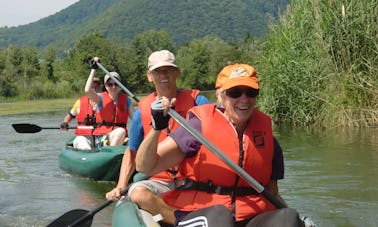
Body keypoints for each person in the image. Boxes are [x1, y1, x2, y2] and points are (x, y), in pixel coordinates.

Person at [135, 63, 304, 227]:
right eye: (235, 93)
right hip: (200, 214)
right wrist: (157, 128)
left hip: (251, 217)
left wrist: (297, 220)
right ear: (220, 95)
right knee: (219, 216)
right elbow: (145, 166)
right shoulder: (197, 128)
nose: (244, 99)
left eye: (251, 92)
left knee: (287, 217)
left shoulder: (267, 138)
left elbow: (272, 193)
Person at [105, 50, 210, 225]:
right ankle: (182, 220)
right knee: (137, 193)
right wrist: (121, 184)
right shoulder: (142, 111)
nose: (164, 75)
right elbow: (131, 152)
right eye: (158, 71)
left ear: (177, 72)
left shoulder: (198, 101)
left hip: (194, 178)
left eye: (169, 70)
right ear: (149, 76)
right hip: (161, 180)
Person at [85, 57, 134, 147]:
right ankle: (110, 156)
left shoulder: (126, 101)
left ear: (120, 85)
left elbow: (136, 120)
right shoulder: (100, 98)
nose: (113, 87)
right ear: (106, 86)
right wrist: (93, 69)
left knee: (136, 141)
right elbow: (88, 90)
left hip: (121, 137)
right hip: (102, 138)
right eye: (110, 84)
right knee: (121, 131)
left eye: (116, 84)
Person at [60, 77, 102, 150]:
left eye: (97, 87)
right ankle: (87, 155)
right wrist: (65, 122)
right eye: (92, 87)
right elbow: (70, 116)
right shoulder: (80, 103)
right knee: (80, 140)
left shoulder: (107, 102)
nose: (94, 89)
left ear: (100, 88)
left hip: (101, 136)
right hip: (85, 137)